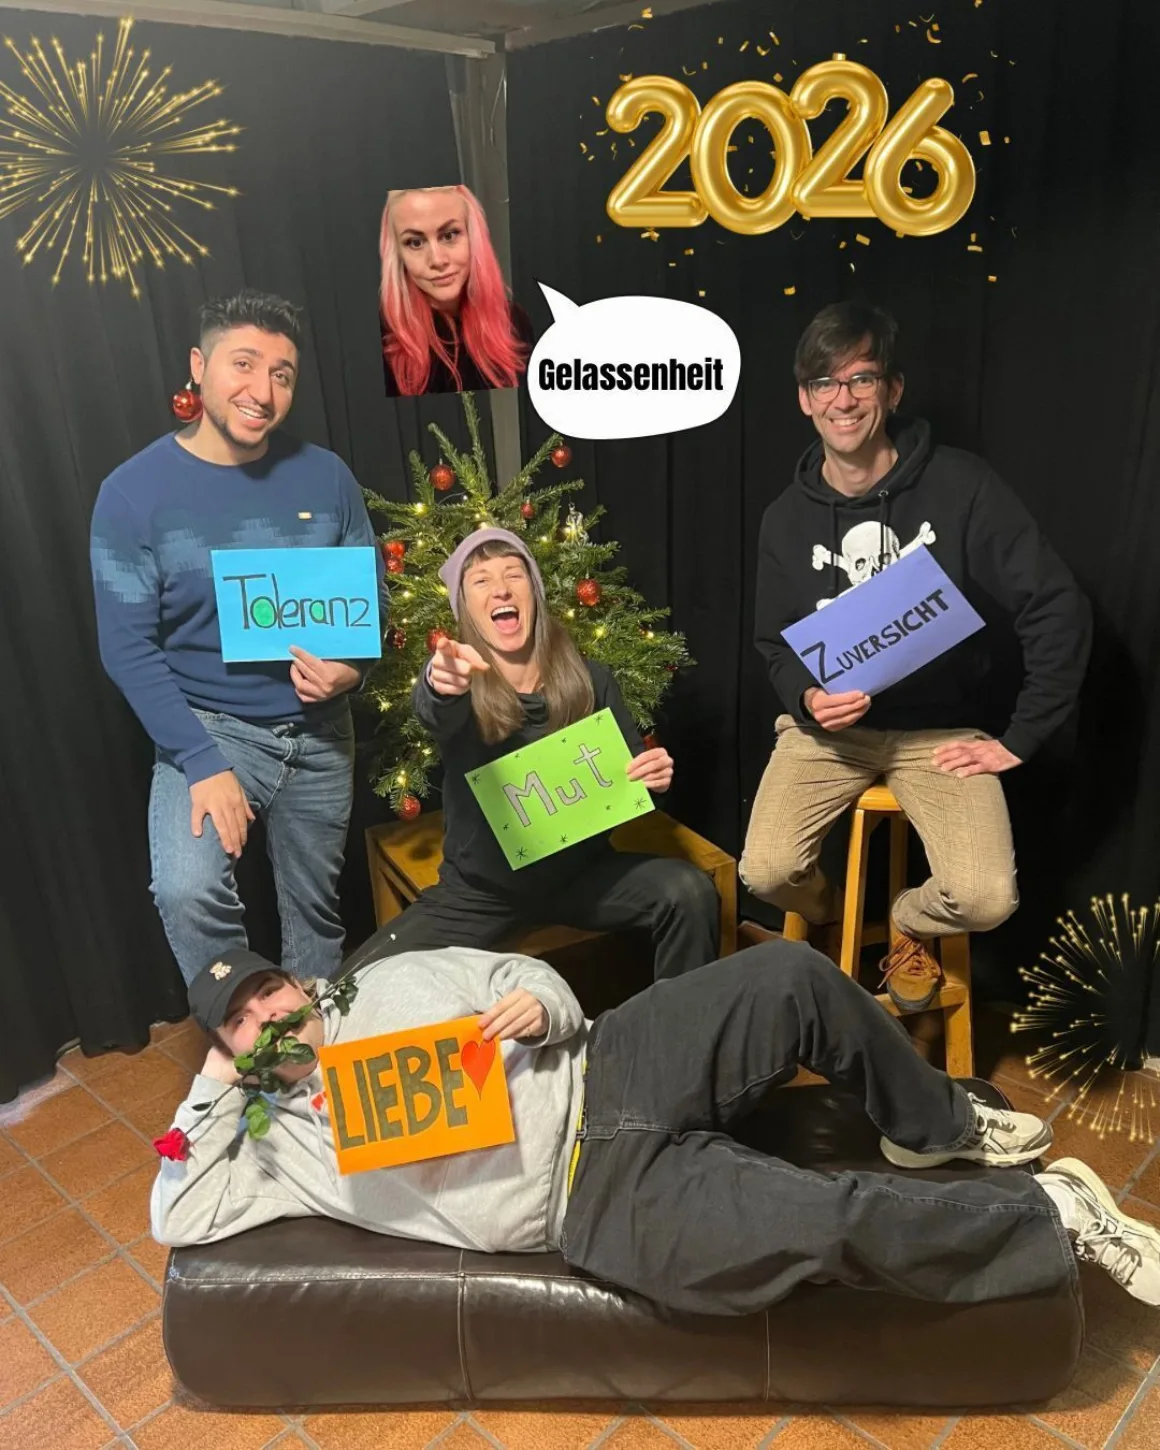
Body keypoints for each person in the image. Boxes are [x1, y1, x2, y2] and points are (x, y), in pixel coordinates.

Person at [152, 938, 1160, 1316]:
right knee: (818, 1222)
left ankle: (933, 1123)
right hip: (589, 1201)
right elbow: (175, 1212)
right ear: (229, 1051)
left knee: (789, 974)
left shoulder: (391, 980)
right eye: (238, 1022)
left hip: (610, 1060)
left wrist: (542, 1005)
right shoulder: (276, 1144)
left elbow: (521, 975)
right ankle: (1057, 1218)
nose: (265, 1015)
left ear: (295, 981)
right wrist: (213, 1085)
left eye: (266, 990)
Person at [741, 302, 1091, 1011]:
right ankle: (837, 916)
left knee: (986, 897)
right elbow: (774, 641)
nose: (843, 400)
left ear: (893, 390)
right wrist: (806, 696)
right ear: (805, 399)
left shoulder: (962, 487)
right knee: (767, 872)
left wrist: (1021, 737)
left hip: (941, 733)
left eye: (862, 379)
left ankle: (904, 920)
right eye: (825, 383)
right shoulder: (786, 517)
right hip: (830, 734)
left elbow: (1057, 605)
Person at [90, 289, 378, 984]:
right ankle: (249, 1035)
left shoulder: (327, 476)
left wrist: (351, 670)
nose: (263, 391)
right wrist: (201, 760)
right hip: (210, 729)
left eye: (282, 374)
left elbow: (369, 601)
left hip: (320, 733)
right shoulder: (132, 493)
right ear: (199, 366)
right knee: (187, 893)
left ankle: (311, 1043)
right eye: (243, 364)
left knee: (315, 916)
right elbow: (127, 646)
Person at [352, 527, 719, 979]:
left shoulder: (593, 680)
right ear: (465, 607)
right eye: (481, 580)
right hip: (482, 892)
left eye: (514, 574)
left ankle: (684, 1023)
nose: (501, 589)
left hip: (582, 877)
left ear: (535, 592)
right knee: (357, 980)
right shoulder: (459, 687)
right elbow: (435, 707)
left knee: (689, 892)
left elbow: (632, 789)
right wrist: (437, 681)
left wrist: (653, 780)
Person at [379, 185, 532, 396]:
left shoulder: (514, 322)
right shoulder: (384, 342)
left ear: (473, 238)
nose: (437, 260)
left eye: (449, 235)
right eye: (415, 242)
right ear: (398, 255)